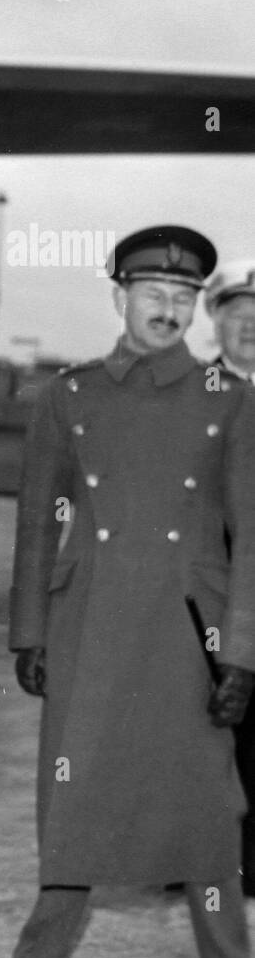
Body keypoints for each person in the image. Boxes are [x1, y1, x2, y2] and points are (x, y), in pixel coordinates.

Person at [0, 226, 255, 958]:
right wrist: (27, 631)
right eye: (152, 295)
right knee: (70, 799)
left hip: (185, 634)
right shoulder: (70, 396)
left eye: (182, 298)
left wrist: (241, 652)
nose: (167, 310)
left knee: (203, 809)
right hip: (86, 627)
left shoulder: (229, 401)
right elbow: (33, 525)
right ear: (118, 297)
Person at [205, 259, 255, 898]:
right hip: (213, 587)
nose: (248, 327)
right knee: (204, 726)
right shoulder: (196, 392)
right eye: (237, 317)